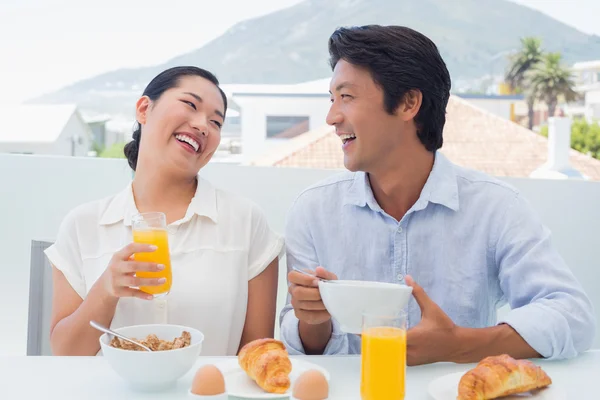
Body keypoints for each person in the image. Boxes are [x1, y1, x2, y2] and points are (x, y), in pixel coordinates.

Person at [280, 25, 596, 365]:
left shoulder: (495, 207)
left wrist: (463, 345)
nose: (331, 117)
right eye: (332, 99)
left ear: (408, 102)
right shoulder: (312, 211)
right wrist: (314, 321)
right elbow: (302, 345)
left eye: (347, 97)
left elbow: (572, 316)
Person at [46, 66, 283, 356]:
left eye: (216, 122)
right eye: (190, 104)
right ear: (144, 109)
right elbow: (65, 355)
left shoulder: (246, 222)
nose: (202, 125)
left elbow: (257, 356)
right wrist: (105, 291)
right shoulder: (82, 226)